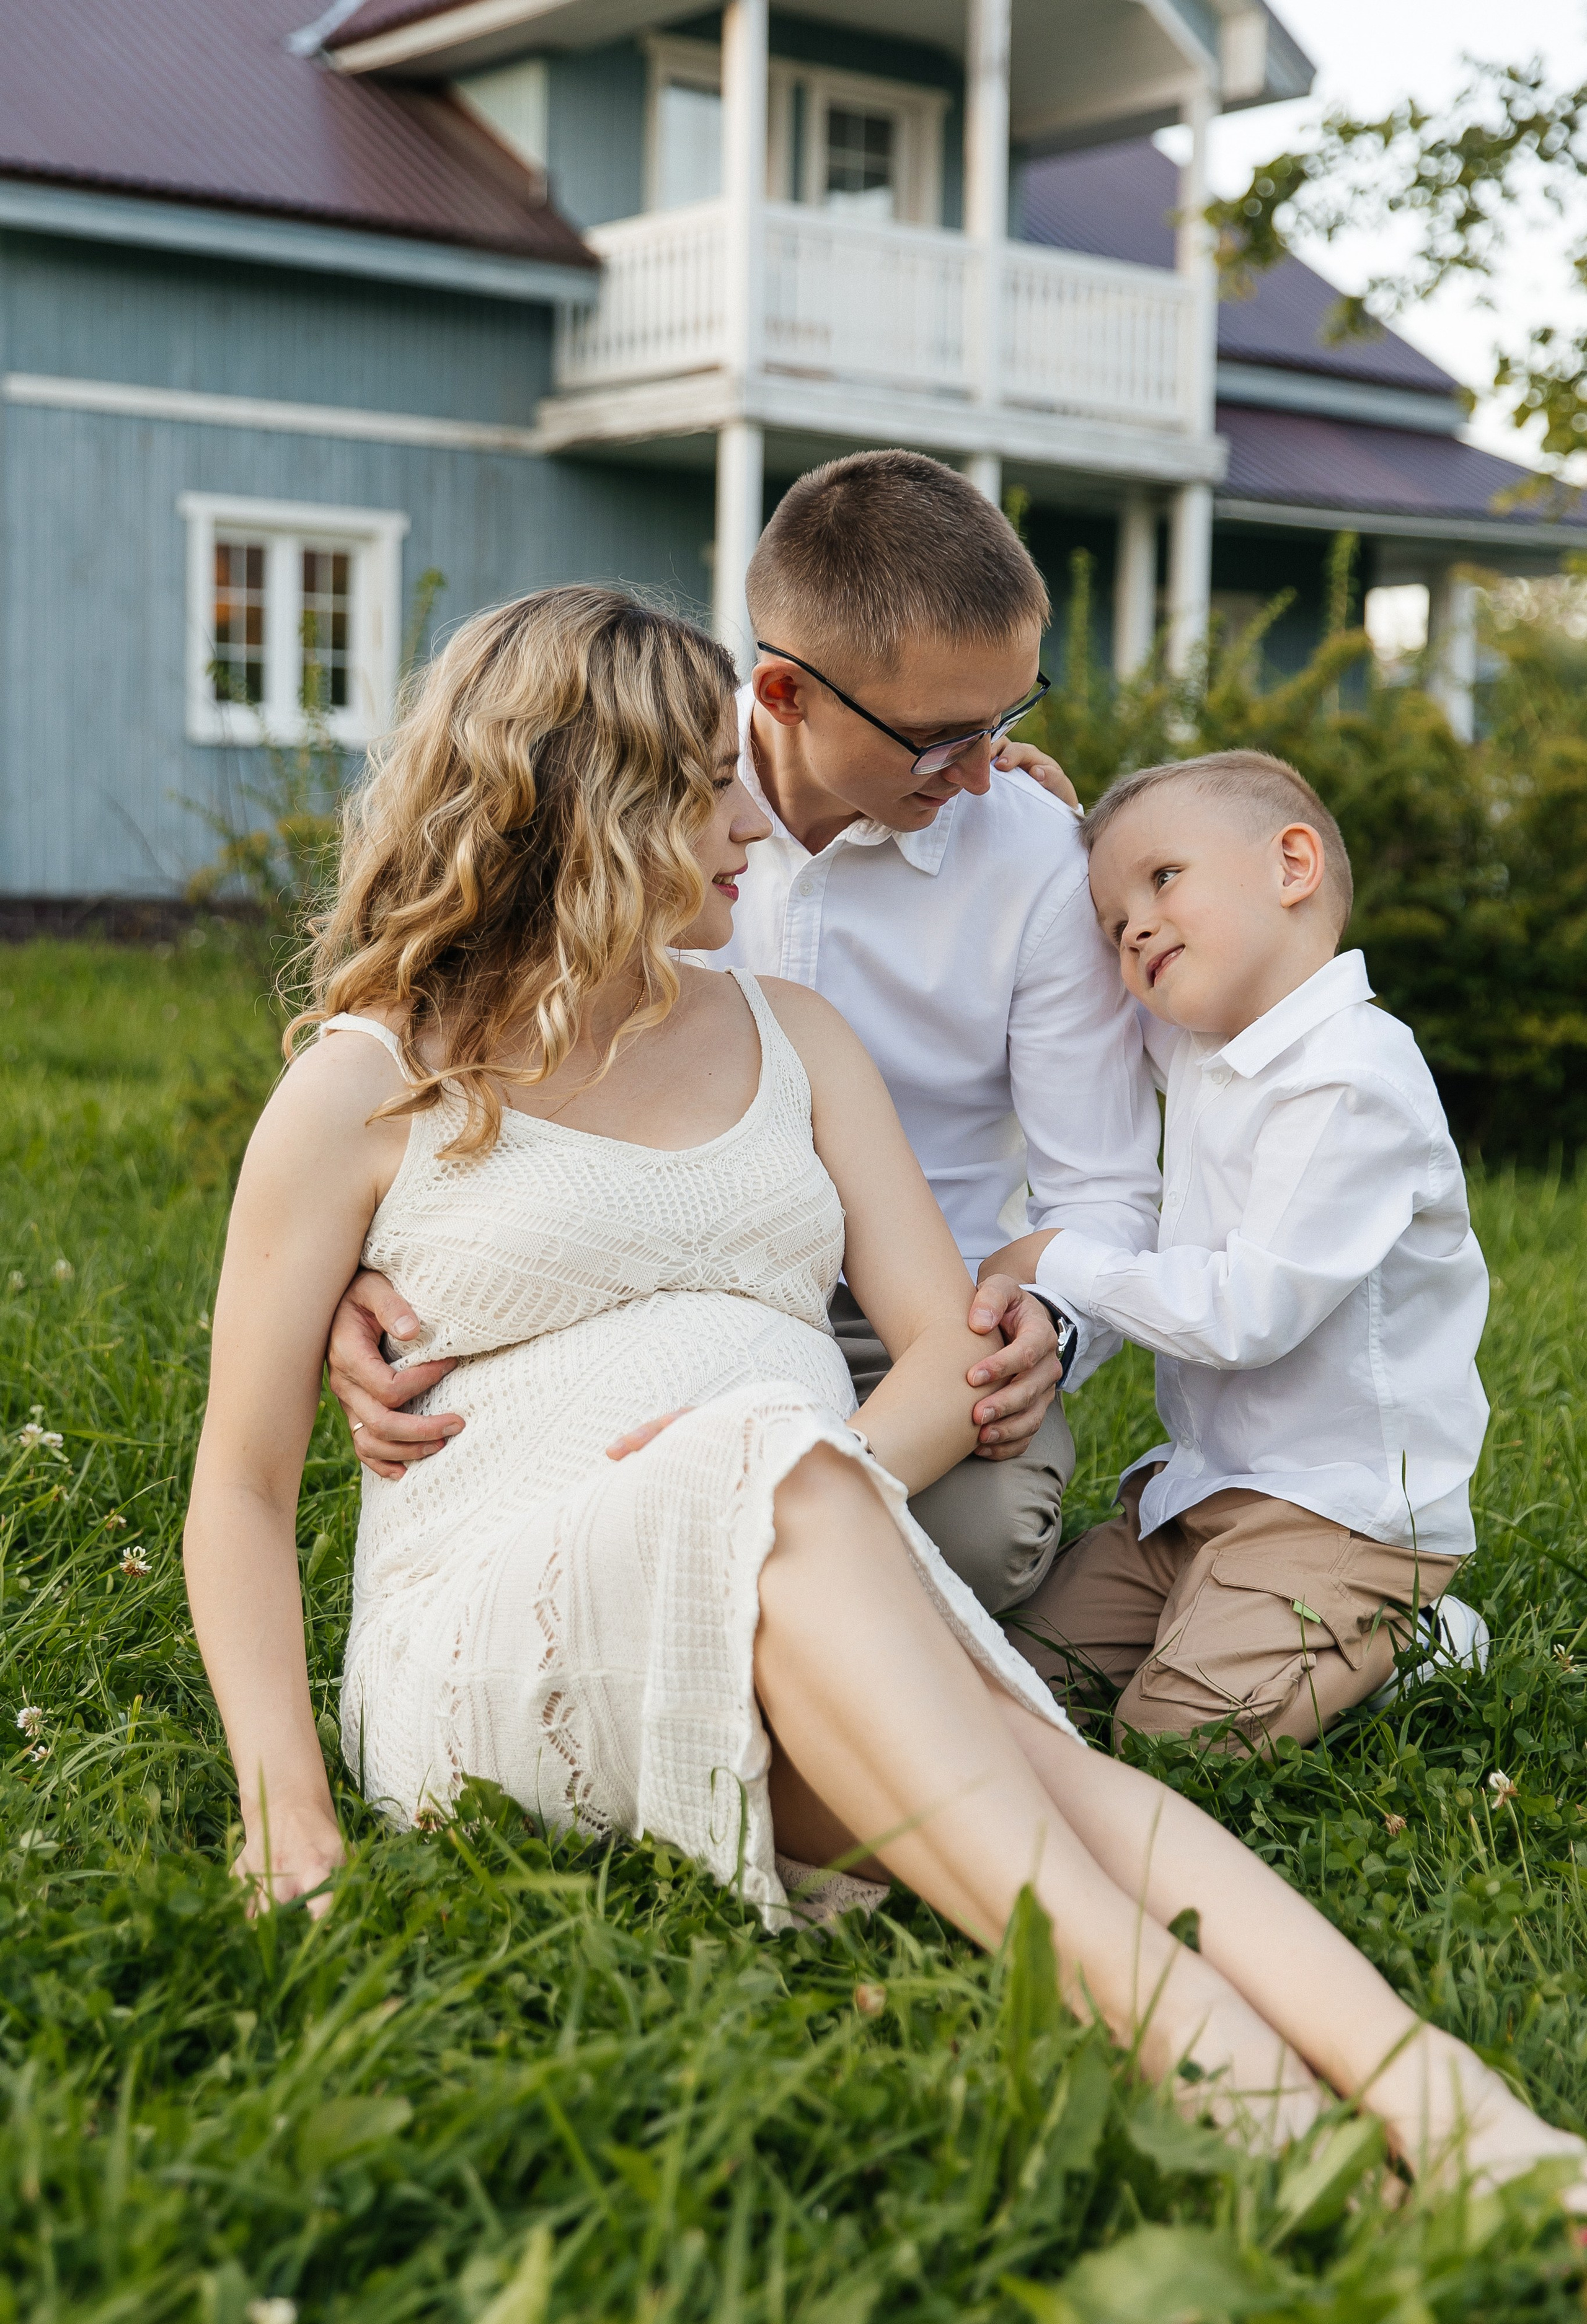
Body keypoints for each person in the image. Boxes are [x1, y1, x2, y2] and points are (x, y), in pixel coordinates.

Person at [184, 589, 1585, 2196]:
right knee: (840, 1548)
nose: (751, 825)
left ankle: (1480, 2128)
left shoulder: (795, 1035)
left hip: (791, 1543)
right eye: (706, 790)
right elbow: (242, 1486)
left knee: (1041, 1771)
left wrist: (797, 1475)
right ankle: (1274, 2122)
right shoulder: (367, 1083)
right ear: (589, 808)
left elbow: (945, 1352)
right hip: (509, 1612)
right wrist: (285, 1813)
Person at [325, 452, 1162, 1615]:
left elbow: (1108, 1187)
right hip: (635, 1272)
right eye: (939, 736)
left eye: (1005, 720)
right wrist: (362, 1269)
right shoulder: (626, 788)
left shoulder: (1036, 862)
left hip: (921, 1316)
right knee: (581, 1524)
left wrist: (1051, 1329)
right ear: (783, 694)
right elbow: (435, 1033)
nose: (982, 774)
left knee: (969, 1548)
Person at [984, 751, 1490, 1750]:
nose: (1134, 929)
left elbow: (1247, 1315)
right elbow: (1103, 1011)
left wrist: (1056, 1260)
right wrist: (1051, 822)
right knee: (1009, 1683)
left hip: (1338, 1517)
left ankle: (1415, 1631)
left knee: (1173, 1741)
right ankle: (1216, 1611)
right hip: (1198, 1498)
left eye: (1165, 879)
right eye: (1114, 923)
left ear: (1292, 866)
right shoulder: (1213, 1045)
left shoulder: (1353, 1080)